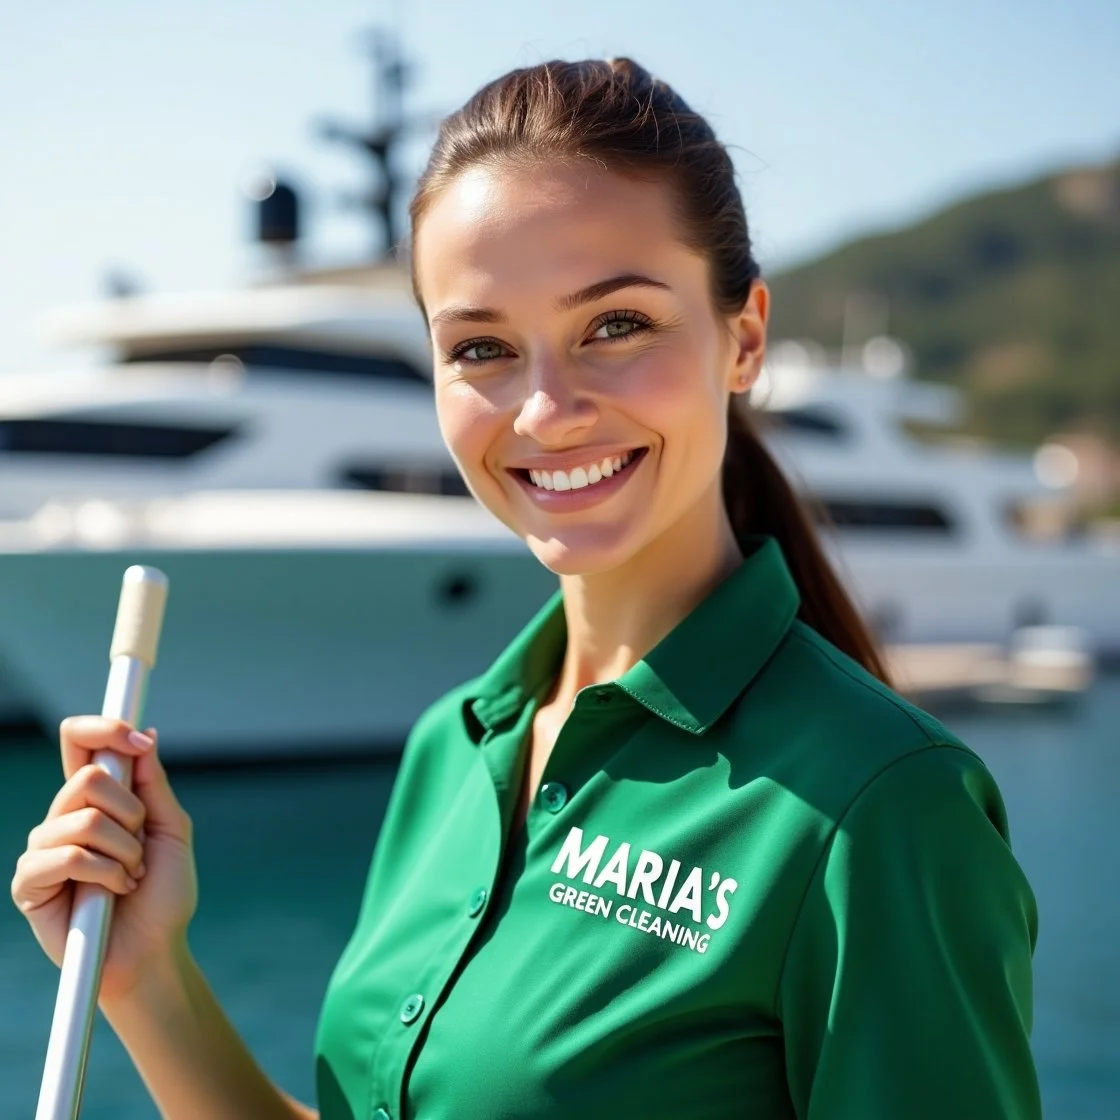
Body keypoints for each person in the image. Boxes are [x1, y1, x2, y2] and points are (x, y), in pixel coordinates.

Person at [10, 58, 1040, 1120]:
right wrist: (145, 978)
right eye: (483, 347)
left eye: (615, 325)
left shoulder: (881, 808)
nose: (546, 412)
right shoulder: (447, 749)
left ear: (743, 338)